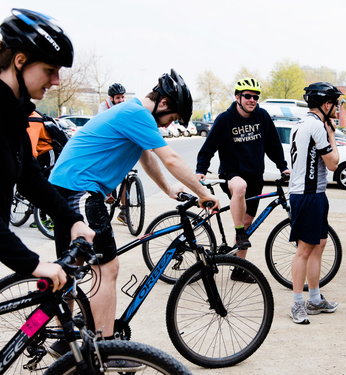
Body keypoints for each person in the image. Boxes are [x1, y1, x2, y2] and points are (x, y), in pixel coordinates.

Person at [49, 69, 219, 356]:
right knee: (107, 269)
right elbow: (171, 158)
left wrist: (168, 189)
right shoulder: (137, 114)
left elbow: (148, 157)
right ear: (164, 104)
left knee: (71, 269)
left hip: (68, 189)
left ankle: (63, 337)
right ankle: (105, 347)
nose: (168, 126)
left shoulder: (132, 113)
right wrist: (204, 193)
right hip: (79, 191)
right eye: (172, 119)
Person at [0, 8, 95, 290]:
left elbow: (29, 178)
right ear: (20, 61)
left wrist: (72, 220)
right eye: (50, 70)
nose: (56, 81)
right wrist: (31, 263)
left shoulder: (14, 113)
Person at [196, 77, 289, 283]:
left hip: (256, 176)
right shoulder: (224, 120)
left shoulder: (262, 117)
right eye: (247, 96)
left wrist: (283, 167)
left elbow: (273, 145)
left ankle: (238, 269)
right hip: (232, 173)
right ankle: (238, 233)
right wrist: (200, 170)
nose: (252, 100)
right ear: (237, 97)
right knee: (240, 187)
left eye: (255, 97)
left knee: (248, 222)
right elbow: (208, 148)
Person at [288, 82, 341, 324]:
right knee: (304, 250)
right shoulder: (317, 127)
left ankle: (315, 298)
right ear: (326, 105)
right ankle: (297, 303)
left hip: (315, 194)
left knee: (319, 245)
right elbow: (333, 163)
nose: (338, 109)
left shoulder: (301, 124)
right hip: (307, 195)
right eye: (336, 104)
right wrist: (332, 133)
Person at [98, 83, 128, 223]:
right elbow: (103, 124)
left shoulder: (125, 106)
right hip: (106, 140)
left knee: (124, 176)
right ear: (111, 98)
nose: (121, 100)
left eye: (122, 97)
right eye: (118, 98)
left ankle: (124, 211)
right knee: (107, 168)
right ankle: (107, 192)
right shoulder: (104, 107)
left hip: (121, 141)